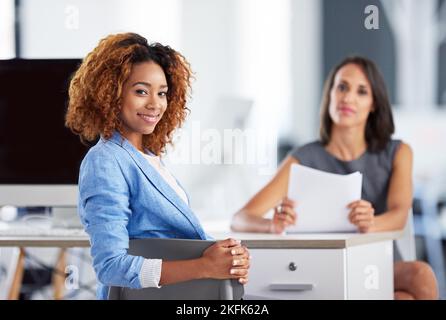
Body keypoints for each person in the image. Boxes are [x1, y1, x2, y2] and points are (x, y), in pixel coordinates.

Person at [231, 56, 438, 300]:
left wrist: (371, 224)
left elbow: (399, 215)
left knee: (420, 275)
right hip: (323, 268)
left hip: (376, 266)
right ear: (330, 94)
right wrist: (273, 226)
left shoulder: (398, 152)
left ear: (373, 103)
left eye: (361, 91)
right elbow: (240, 219)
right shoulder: (302, 158)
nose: (348, 98)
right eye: (342, 87)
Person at [65, 33, 249, 299]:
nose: (155, 104)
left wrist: (229, 256)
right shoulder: (105, 160)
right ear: (110, 93)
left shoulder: (146, 155)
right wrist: (205, 266)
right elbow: (111, 266)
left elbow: (175, 236)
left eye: (161, 93)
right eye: (141, 91)